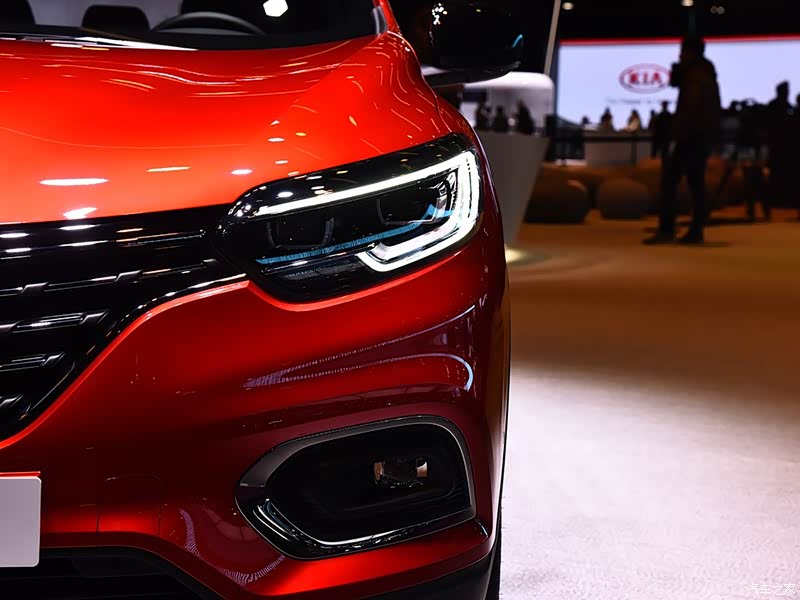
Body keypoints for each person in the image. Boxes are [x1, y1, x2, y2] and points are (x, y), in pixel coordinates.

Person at [644, 35, 721, 245]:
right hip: (698, 137)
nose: (679, 56)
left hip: (689, 137)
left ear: (690, 53)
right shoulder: (705, 74)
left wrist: (678, 133)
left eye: (682, 52)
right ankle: (695, 230)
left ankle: (668, 229)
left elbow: (690, 108)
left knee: (671, 182)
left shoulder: (694, 77)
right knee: (696, 185)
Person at [766, 82, 793, 213]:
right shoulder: (780, 107)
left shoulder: (780, 106)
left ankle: (779, 197)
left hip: (781, 146)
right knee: (779, 172)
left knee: (780, 172)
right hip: (780, 145)